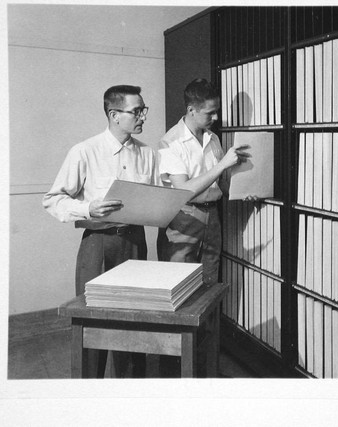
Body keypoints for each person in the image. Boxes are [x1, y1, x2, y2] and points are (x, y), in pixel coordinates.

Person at [43, 85, 160, 378]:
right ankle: (90, 399)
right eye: (136, 111)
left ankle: (130, 396)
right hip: (97, 243)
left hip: (134, 242)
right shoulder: (85, 151)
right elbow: (53, 200)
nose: (142, 116)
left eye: (143, 110)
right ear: (114, 115)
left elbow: (157, 196)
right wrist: (88, 209)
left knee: (135, 324)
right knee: (92, 325)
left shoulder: (147, 154)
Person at [157, 78, 251, 286]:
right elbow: (183, 190)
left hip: (212, 216)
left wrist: (241, 191)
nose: (216, 117)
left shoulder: (213, 138)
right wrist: (222, 165)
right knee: (178, 285)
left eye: (217, 111)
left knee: (209, 282)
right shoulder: (170, 143)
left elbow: (218, 183)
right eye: (210, 112)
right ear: (191, 110)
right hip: (183, 218)